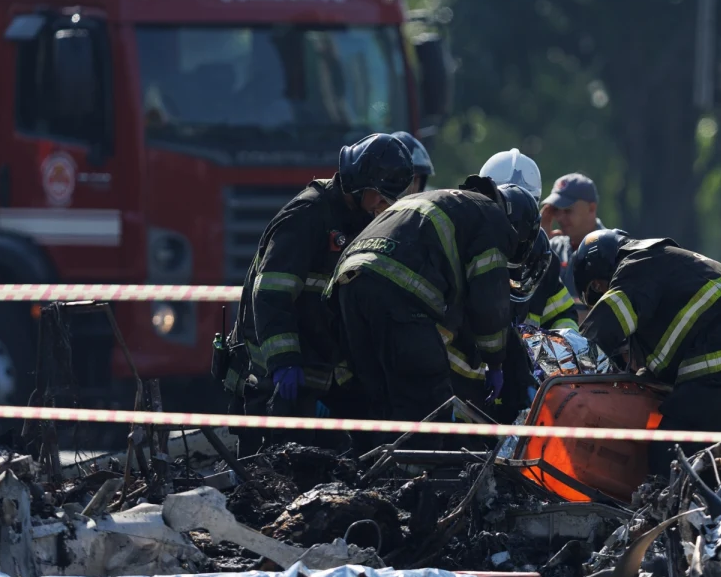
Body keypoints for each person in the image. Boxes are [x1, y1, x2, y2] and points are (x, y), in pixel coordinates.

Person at [573, 229, 721, 474]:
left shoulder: (637, 264)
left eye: (597, 288)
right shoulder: (675, 263)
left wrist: (567, 365)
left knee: (671, 455)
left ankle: (680, 513)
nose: (602, 291)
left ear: (599, 275)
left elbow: (601, 330)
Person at [228, 133, 414, 431]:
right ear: (359, 183)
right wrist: (284, 361)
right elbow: (271, 294)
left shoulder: (360, 221)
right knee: (268, 470)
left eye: (388, 200)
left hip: (321, 377)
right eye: (379, 196)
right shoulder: (307, 216)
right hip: (271, 378)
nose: (382, 205)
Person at [328, 178, 541, 421]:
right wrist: (495, 363)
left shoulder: (434, 201)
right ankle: (420, 459)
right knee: (429, 404)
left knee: (377, 398)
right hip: (401, 300)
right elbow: (489, 302)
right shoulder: (491, 218)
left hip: (345, 287)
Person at [480, 150, 577, 331]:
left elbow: (562, 315)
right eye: (504, 205)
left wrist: (566, 344)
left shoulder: (543, 259)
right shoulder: (465, 247)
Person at [542, 173, 607, 304]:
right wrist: (541, 239)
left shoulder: (612, 250)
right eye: (555, 210)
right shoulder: (553, 247)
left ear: (591, 208)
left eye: (567, 210)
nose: (559, 218)